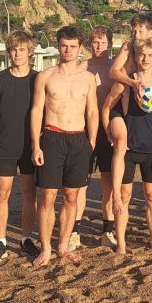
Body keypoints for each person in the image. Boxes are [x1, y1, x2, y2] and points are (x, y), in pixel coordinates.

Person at [103, 39, 152, 255]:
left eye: (150, 55)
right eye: (141, 55)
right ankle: (121, 243)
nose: (145, 59)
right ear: (135, 56)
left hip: (150, 148)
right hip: (129, 148)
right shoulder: (126, 82)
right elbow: (107, 107)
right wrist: (108, 130)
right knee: (124, 196)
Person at [29, 26, 99, 267]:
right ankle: (46, 248)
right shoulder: (45, 76)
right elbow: (37, 110)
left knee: (71, 196)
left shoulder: (88, 78)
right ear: (58, 46)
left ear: (80, 48)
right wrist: (36, 145)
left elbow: (92, 111)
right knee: (47, 197)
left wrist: (91, 142)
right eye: (64, 45)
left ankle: (63, 245)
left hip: (78, 139)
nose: (68, 50)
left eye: (72, 46)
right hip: (52, 137)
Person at [0, 30, 40, 262]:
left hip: (31, 146)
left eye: (21, 49)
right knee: (2, 193)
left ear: (30, 52)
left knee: (29, 194)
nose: (17, 54)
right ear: (8, 52)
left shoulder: (38, 79)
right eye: (13, 49)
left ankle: (26, 239)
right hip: (5, 145)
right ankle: (1, 241)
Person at [75, 26, 118, 250]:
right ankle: (74, 231)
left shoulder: (115, 68)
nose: (98, 46)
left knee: (109, 183)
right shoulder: (82, 67)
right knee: (80, 182)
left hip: (109, 129)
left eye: (102, 42)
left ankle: (107, 231)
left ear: (109, 44)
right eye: (95, 42)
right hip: (84, 128)